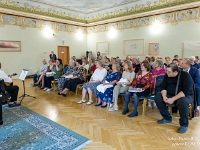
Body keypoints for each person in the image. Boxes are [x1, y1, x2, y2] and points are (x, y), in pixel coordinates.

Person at [155, 63, 194, 134]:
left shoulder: (185, 75)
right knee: (158, 97)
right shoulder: (167, 75)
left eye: (169, 72)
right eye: (166, 71)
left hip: (184, 96)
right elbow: (163, 87)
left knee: (183, 102)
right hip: (170, 94)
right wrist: (164, 96)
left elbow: (185, 91)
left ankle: (184, 124)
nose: (166, 73)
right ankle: (167, 118)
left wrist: (173, 99)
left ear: (175, 72)